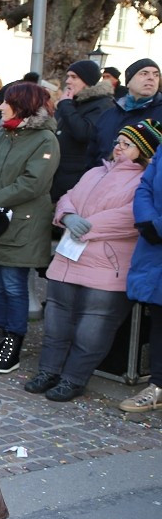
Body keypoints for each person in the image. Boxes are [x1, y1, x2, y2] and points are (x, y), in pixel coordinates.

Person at [25, 120, 155, 402]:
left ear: (143, 151)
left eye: (127, 144)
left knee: (93, 329)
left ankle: (74, 378)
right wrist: (68, 217)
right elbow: (67, 198)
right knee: (56, 323)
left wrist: (87, 227)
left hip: (107, 268)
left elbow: (131, 217)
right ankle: (48, 371)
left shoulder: (144, 180)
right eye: (118, 141)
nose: (118, 147)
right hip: (67, 261)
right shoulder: (94, 172)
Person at [0, 82, 60, 374]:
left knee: (13, 286)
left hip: (22, 225)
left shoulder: (44, 139)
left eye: (4, 101)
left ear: (21, 104)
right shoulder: (5, 134)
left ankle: (13, 343)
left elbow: (33, 183)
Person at [121, 121, 162, 414]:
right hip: (155, 245)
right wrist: (148, 220)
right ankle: (158, 386)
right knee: (160, 317)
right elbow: (146, 185)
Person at [52, 60, 116, 202]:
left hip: (76, 176)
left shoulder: (102, 104)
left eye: (74, 77)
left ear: (88, 81)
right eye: (68, 76)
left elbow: (84, 132)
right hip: (58, 174)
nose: (68, 81)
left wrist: (66, 106)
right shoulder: (73, 102)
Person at [90, 59, 162, 167]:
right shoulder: (108, 114)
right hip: (102, 179)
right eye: (144, 73)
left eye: (156, 75)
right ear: (128, 82)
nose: (151, 78)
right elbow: (92, 154)